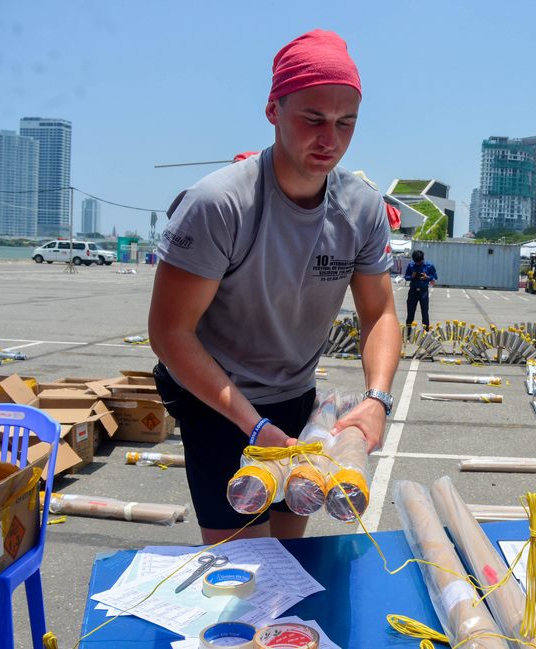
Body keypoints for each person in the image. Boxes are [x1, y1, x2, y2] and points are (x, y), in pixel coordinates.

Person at [148, 29, 401, 544]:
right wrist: (251, 425)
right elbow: (171, 333)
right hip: (218, 399)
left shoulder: (361, 208)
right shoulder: (220, 205)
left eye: (345, 122)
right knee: (242, 566)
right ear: (273, 111)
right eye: (312, 119)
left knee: (289, 553)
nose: (329, 139)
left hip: (295, 396)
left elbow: (379, 313)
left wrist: (376, 398)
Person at [403, 249, 437, 329]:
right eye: (416, 262)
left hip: (423, 291)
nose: (418, 264)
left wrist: (427, 277)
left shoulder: (429, 265)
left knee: (425, 313)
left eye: (419, 262)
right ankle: (408, 333)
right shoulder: (411, 265)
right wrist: (412, 276)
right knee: (410, 313)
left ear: (423, 259)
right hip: (413, 291)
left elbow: (435, 277)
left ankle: (425, 333)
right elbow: (406, 277)